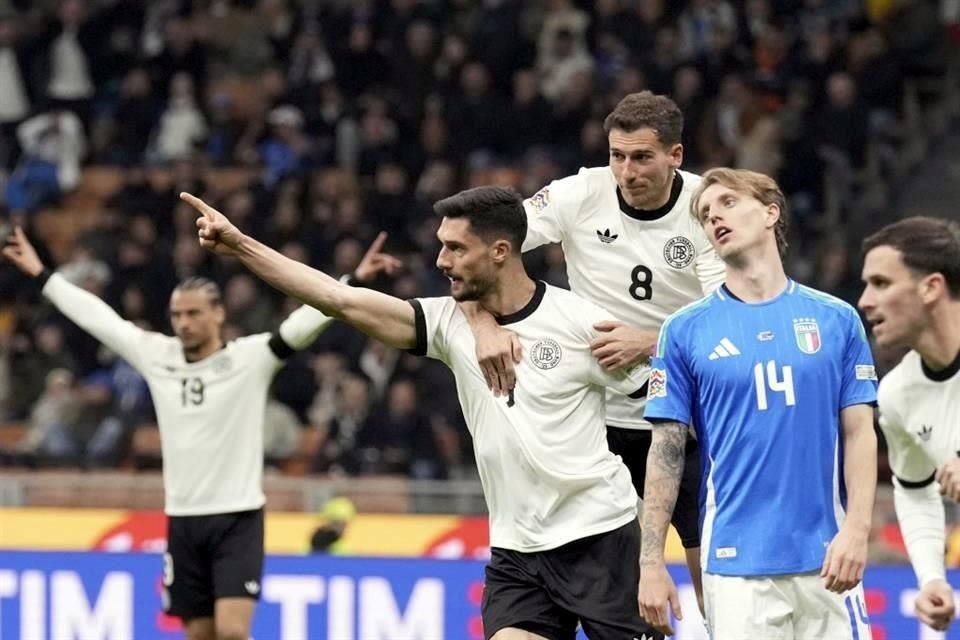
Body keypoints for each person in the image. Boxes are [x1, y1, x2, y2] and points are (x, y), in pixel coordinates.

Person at [182, 185, 655, 639]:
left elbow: (656, 426)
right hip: (517, 549)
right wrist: (241, 245)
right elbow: (338, 299)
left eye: (455, 248)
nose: (440, 261)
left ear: (500, 251)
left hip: (599, 539)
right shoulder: (450, 323)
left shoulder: (580, 324)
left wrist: (653, 554)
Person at [1, 226, 399, 640]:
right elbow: (100, 318)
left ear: (219, 315)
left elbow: (304, 323)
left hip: (237, 516)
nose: (184, 323)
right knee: (201, 635)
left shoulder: (250, 358)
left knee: (231, 632)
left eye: (194, 314)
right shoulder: (157, 356)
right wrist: (42, 274)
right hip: (184, 519)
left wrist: (353, 282)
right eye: (177, 315)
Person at [468, 91, 725, 611]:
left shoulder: (707, 207)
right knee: (625, 594)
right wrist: (481, 324)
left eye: (642, 157)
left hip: (687, 420)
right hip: (595, 426)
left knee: (716, 587)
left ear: (676, 156)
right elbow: (477, 250)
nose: (626, 172)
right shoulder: (578, 194)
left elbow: (733, 315)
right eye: (617, 156)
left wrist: (653, 341)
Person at [638, 168, 878, 639]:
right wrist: (650, 562)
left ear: (771, 212)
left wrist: (856, 530)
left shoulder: (837, 320)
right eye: (706, 215)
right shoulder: (685, 330)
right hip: (734, 563)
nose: (714, 218)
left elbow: (859, 433)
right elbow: (665, 452)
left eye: (727, 203)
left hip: (829, 558)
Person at [858, 216, 960, 632]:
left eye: (881, 283)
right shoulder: (898, 394)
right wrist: (932, 576)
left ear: (931, 287)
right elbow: (916, 491)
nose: (865, 300)